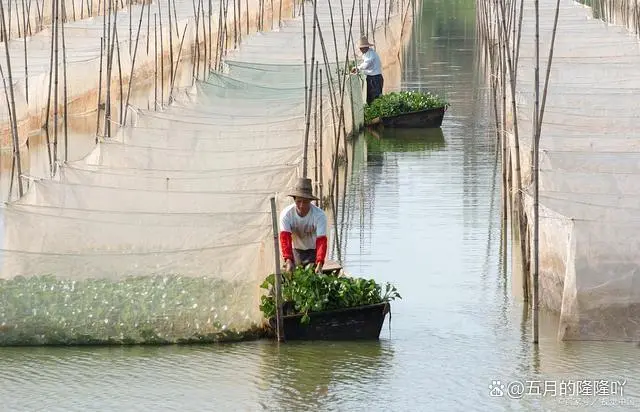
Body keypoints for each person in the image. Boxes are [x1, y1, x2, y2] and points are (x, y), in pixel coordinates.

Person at [279, 177, 328, 274]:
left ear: (310, 201)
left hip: (313, 250)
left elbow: (321, 241)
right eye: (298, 201)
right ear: (294, 200)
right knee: (292, 272)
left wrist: (320, 262)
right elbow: (285, 239)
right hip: (295, 250)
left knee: (311, 272)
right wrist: (288, 259)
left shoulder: (319, 215)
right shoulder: (286, 214)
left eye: (305, 202)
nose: (302, 205)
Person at [351, 36, 384, 104]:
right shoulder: (368, 53)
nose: (360, 50)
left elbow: (366, 65)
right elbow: (365, 63)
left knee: (375, 99)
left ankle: (376, 113)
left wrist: (357, 68)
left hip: (375, 79)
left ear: (365, 47)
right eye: (360, 48)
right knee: (370, 99)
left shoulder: (371, 54)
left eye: (361, 48)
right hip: (372, 78)